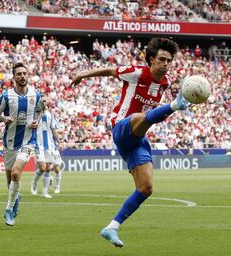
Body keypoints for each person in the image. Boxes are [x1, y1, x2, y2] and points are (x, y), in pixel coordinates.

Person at [71, 38, 190, 247]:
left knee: (146, 187)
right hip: (122, 127)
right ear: (152, 60)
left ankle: (112, 227)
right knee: (139, 117)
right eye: (162, 59)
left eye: (169, 60)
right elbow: (109, 71)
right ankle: (175, 105)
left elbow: (153, 116)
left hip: (137, 138)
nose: (166, 64)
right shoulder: (136, 72)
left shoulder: (165, 83)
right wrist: (82, 74)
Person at [0, 62, 43, 226]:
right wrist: (4, 118)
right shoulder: (6, 96)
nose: (22, 76)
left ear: (28, 76)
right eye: (19, 74)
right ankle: (15, 198)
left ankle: (8, 210)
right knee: (10, 180)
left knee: (15, 173)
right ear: (13, 77)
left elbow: (41, 110)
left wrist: (37, 121)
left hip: (28, 141)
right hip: (10, 142)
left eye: (24, 73)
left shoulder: (36, 94)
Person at [30, 104, 62, 198]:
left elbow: (53, 129)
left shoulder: (50, 115)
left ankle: (44, 192)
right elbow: (32, 126)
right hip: (38, 144)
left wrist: (59, 142)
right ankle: (34, 183)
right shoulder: (34, 114)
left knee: (48, 168)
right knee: (42, 168)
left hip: (49, 145)